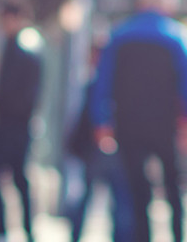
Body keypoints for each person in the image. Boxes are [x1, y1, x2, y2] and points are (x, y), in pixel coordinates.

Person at [91, 0, 187, 242]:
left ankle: (142, 236)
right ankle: (178, 235)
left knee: (137, 186)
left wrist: (101, 121)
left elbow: (102, 80)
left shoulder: (119, 35)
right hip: (165, 123)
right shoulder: (178, 37)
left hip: (128, 122)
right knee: (174, 184)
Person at [0, 2, 43, 242]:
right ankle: (22, 230)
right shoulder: (25, 45)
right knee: (15, 178)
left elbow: (10, 90)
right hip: (18, 124)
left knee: (4, 176)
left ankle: (7, 231)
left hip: (12, 124)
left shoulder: (22, 47)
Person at [64, 48, 133, 242]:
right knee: (108, 196)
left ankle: (119, 236)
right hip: (97, 148)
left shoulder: (105, 83)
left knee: (116, 197)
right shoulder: (100, 83)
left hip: (109, 147)